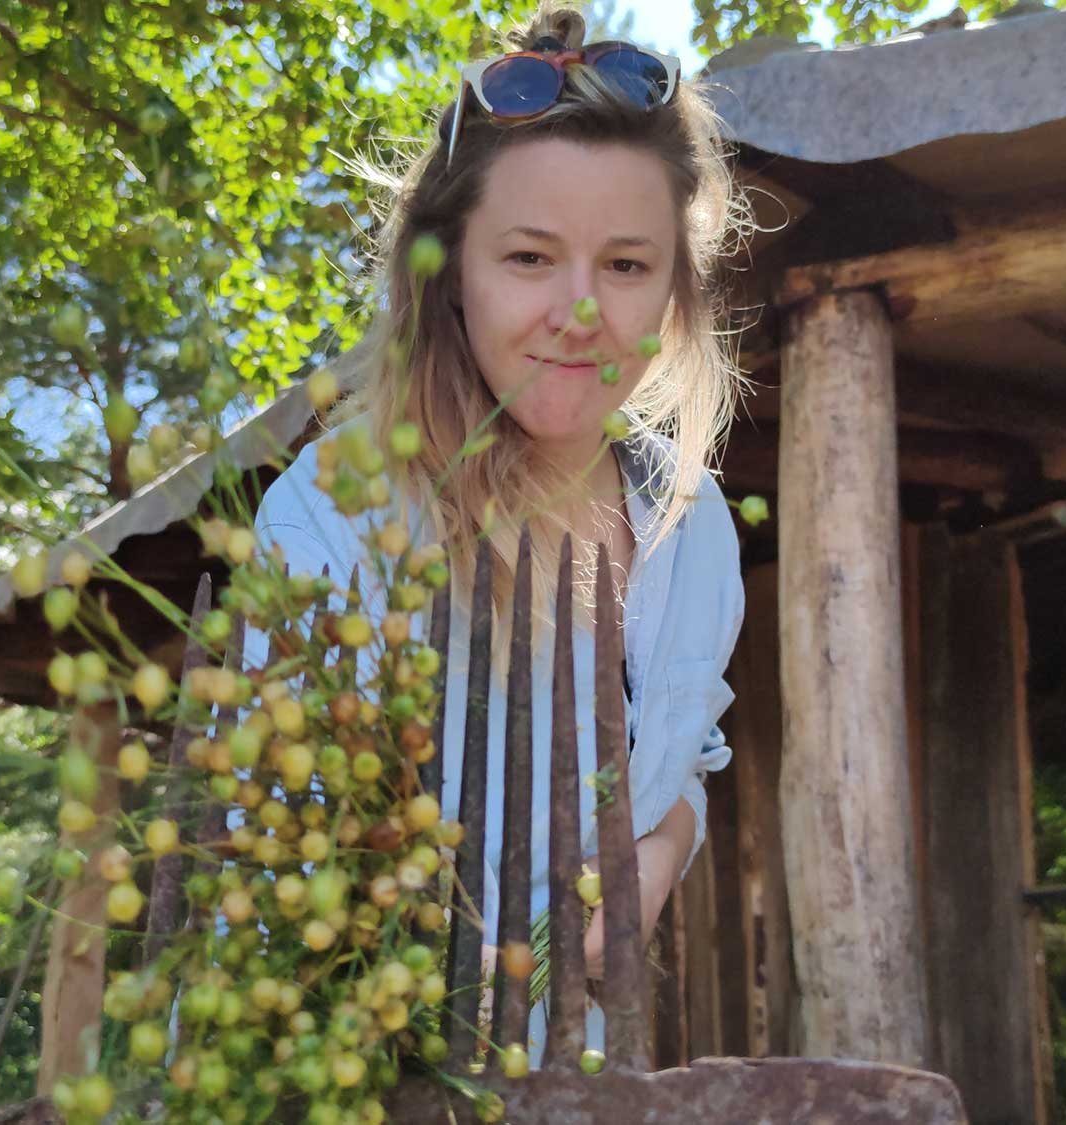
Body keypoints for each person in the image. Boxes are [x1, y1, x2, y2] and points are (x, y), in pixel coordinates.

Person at [247, 4, 747, 1062]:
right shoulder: (334, 513)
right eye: (527, 258)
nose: (579, 310)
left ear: (671, 288)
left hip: (575, 1065)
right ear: (445, 274)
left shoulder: (689, 531)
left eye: (623, 266)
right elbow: (273, 833)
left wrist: (658, 849)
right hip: (339, 1070)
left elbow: (685, 756)